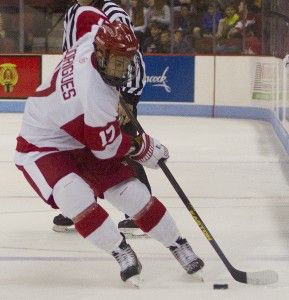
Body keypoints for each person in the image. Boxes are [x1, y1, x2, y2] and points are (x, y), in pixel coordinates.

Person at [14, 20, 204, 286]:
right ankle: (121, 251)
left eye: (126, 61)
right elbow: (106, 148)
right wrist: (143, 148)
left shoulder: (91, 40)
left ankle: (178, 244)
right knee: (73, 196)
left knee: (130, 192)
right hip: (44, 143)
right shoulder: (95, 95)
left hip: (80, 132)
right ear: (101, 55)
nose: (123, 68)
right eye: (117, 61)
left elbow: (94, 21)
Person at [54, 0, 149, 235]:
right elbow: (69, 54)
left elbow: (133, 59)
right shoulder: (72, 13)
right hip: (86, 93)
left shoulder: (114, 13)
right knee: (78, 150)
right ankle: (80, 207)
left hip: (115, 95)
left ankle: (141, 213)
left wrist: (127, 99)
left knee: (123, 149)